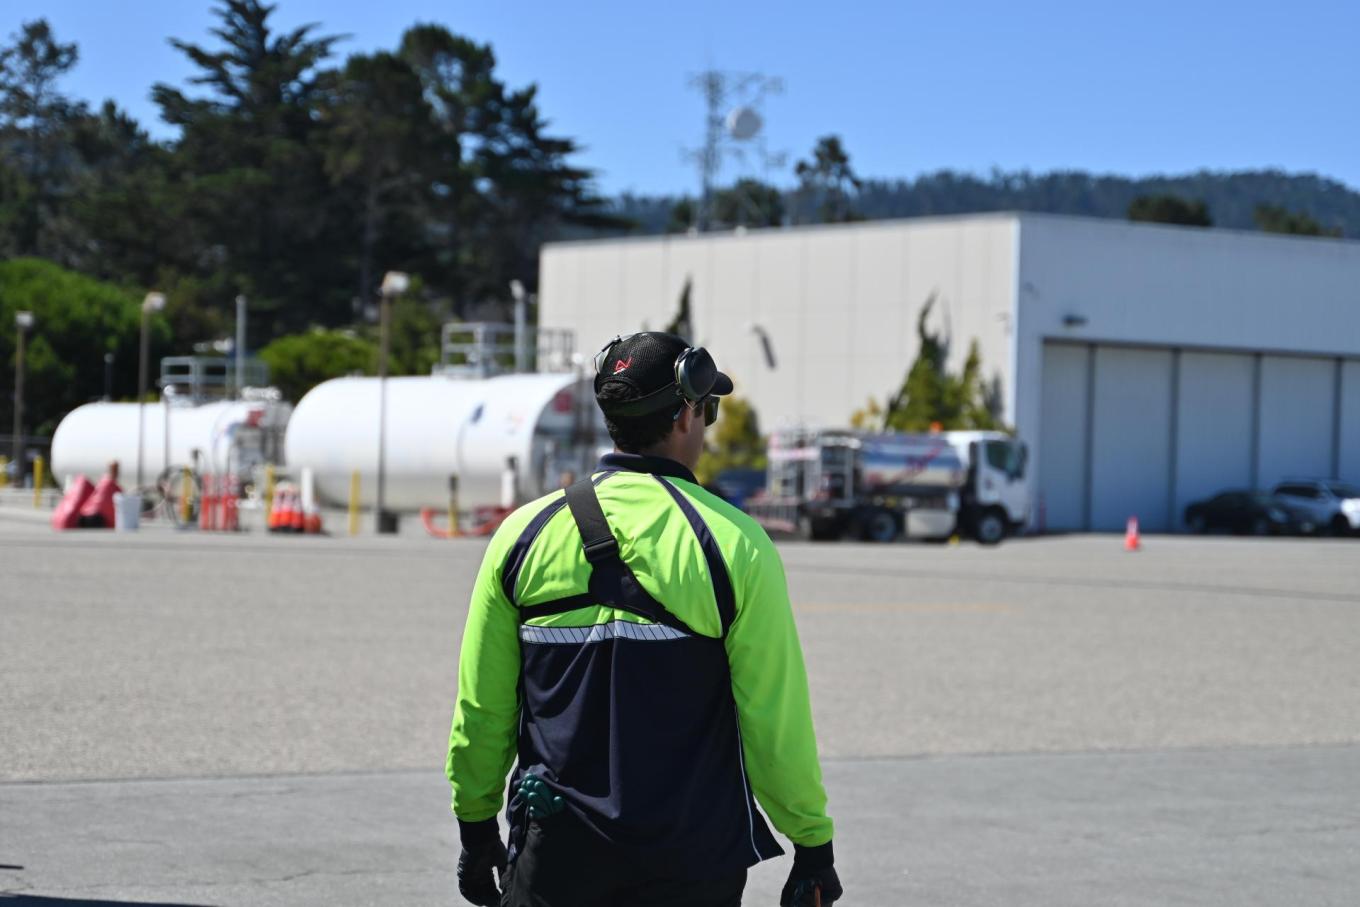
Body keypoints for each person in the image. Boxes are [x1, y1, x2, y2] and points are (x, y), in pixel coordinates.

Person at [446, 332, 841, 907]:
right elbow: (772, 722)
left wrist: (475, 826)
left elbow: (482, 708)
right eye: (707, 410)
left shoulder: (522, 536)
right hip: (690, 859)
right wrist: (812, 844)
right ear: (685, 415)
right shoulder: (733, 545)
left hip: (554, 854)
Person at [77, 461, 121, 528]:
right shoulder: (111, 485)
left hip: (83, 516)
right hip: (95, 518)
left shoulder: (102, 482)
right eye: (116, 470)